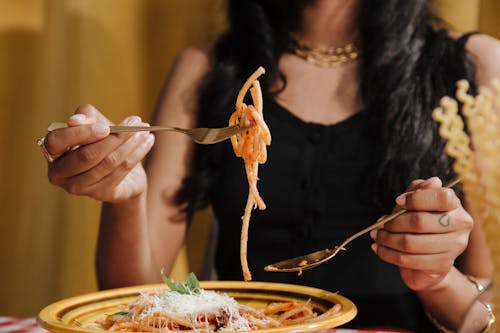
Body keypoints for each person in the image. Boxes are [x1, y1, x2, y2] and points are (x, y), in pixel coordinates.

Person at [39, 0, 500, 331]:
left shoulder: (472, 69)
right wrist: (127, 197)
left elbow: (482, 313)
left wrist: (437, 276)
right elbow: (133, 299)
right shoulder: (207, 69)